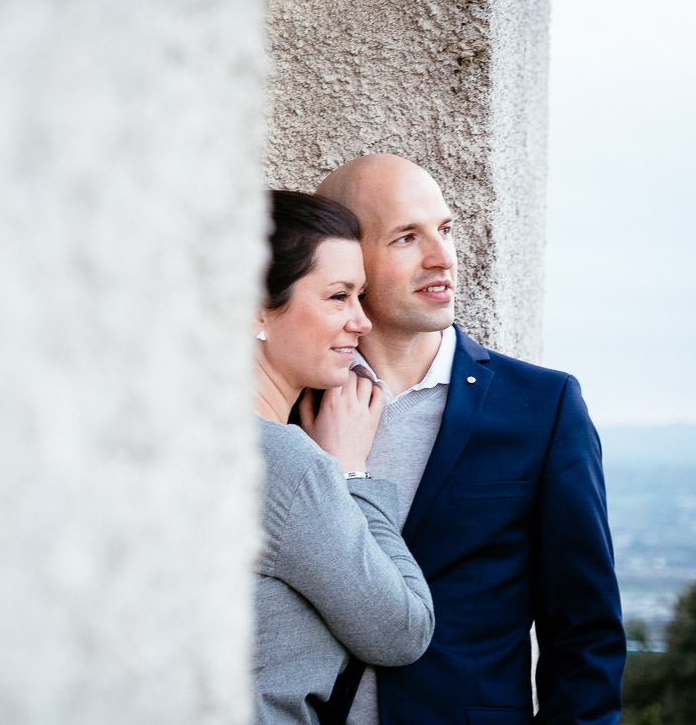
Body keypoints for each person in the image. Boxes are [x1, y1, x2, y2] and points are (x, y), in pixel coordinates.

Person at [311, 154, 626, 725]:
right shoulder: (293, 405)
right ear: (347, 263)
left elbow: (585, 634)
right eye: (407, 237)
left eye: (445, 230)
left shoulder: (542, 408)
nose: (443, 258)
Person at [252, 190, 434, 725]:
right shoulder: (284, 464)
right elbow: (402, 631)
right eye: (339, 296)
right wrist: (350, 472)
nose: (363, 322)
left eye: (362, 296)